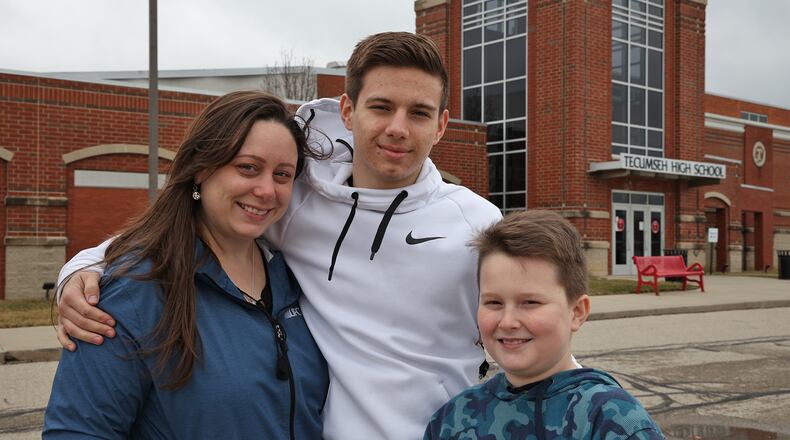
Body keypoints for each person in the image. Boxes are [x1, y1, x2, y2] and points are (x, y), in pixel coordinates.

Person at [55, 32, 503, 439]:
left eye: (419, 113)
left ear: (441, 125)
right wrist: (81, 269)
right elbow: (179, 225)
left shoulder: (477, 224)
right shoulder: (296, 200)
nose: (398, 128)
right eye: (381, 107)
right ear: (348, 111)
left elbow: (531, 324)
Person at [44, 91, 329, 439]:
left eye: (282, 174)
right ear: (201, 168)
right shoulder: (132, 293)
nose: (267, 190)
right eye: (248, 167)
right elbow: (77, 432)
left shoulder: (296, 278)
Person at [424, 210, 665, 439]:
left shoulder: (612, 421)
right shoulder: (453, 419)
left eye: (530, 302)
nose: (507, 322)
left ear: (577, 312)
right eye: (494, 302)